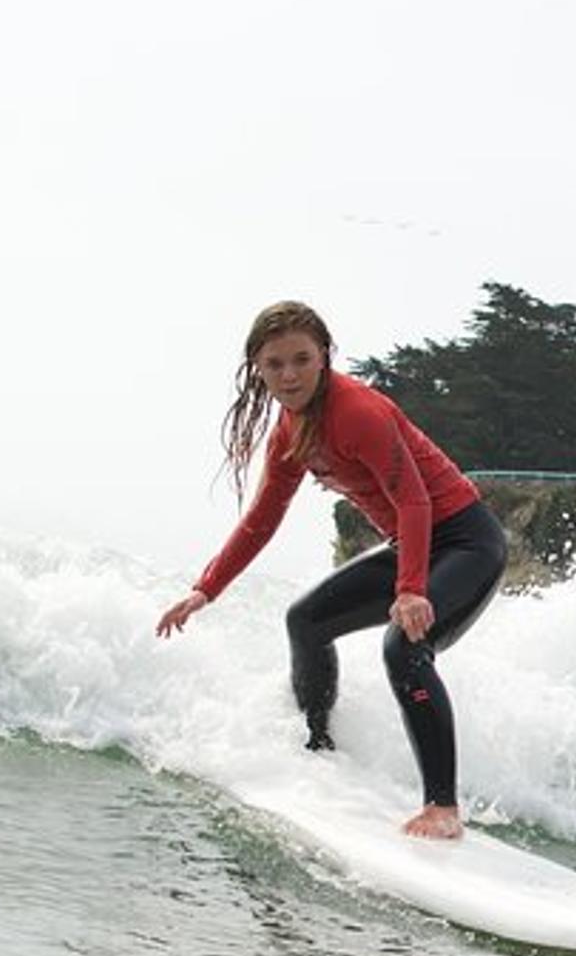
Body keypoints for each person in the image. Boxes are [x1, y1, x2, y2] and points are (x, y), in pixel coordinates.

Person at [155, 301, 507, 840]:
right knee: (306, 620)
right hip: (416, 544)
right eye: (275, 364)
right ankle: (318, 751)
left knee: (405, 647)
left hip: (466, 542)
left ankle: (443, 809)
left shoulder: (357, 413)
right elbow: (262, 521)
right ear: (258, 367)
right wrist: (205, 590)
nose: (289, 374)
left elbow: (414, 500)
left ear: (324, 357)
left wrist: (411, 590)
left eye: (301, 359)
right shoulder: (289, 434)